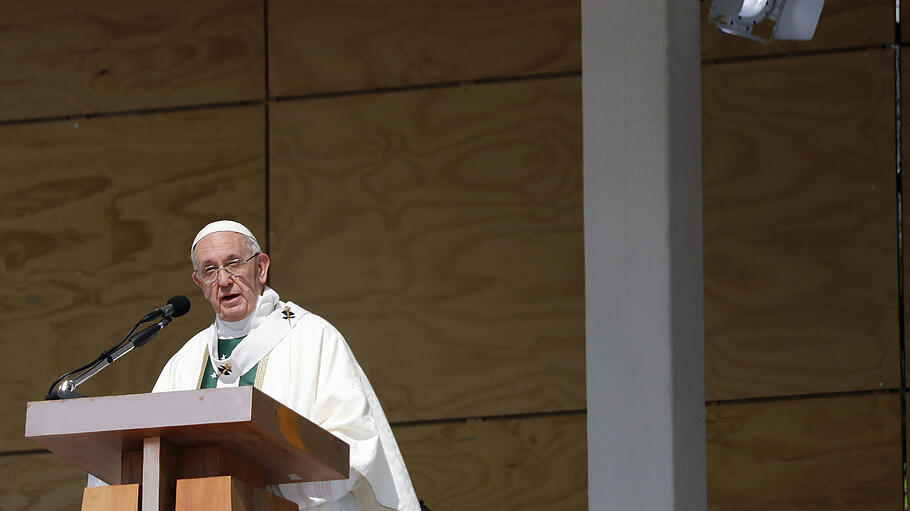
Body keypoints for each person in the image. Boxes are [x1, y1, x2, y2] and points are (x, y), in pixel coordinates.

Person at [152, 220, 420, 511]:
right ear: (199, 283)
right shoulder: (186, 361)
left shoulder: (313, 337)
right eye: (210, 270)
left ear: (261, 268)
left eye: (234, 263)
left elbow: (356, 443)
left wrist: (265, 492)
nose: (224, 280)